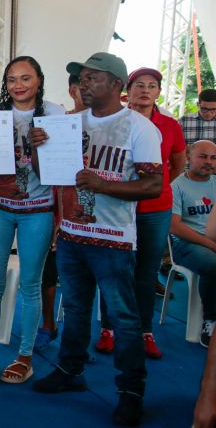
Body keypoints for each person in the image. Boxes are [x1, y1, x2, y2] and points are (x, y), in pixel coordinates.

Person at [31, 52, 162, 427]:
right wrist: (38, 146)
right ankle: (71, 371)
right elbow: (48, 174)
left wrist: (103, 184)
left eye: (92, 78)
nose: (83, 84)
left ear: (117, 85)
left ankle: (131, 391)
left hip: (114, 238)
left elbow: (154, 184)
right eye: (81, 79)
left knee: (123, 317)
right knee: (74, 308)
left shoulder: (138, 128)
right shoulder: (68, 123)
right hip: (73, 233)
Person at [0, 57, 64, 389]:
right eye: (11, 79)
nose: (18, 85)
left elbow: (63, 175)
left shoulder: (56, 115)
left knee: (31, 285)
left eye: (25, 78)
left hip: (39, 210)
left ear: (39, 80)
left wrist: (46, 148)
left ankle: (25, 358)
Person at [94, 68, 185, 359]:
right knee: (115, 271)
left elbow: (177, 165)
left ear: (158, 92)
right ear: (127, 90)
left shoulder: (170, 126)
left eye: (152, 86)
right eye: (139, 85)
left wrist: (149, 189)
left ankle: (145, 331)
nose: (146, 90)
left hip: (154, 209)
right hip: (117, 207)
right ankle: (108, 329)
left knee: (145, 274)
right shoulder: (114, 121)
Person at [35, 73, 90, 351]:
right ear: (72, 90)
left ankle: (78, 338)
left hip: (96, 215)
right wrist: (57, 216)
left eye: (96, 83)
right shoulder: (58, 123)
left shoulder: (116, 123)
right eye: (83, 85)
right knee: (49, 272)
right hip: (58, 211)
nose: (89, 89)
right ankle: (48, 324)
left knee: (83, 281)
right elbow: (48, 172)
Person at [170, 140, 216, 347]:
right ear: (188, 157)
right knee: (213, 264)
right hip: (186, 245)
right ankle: (210, 321)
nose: (209, 162)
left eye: (213, 158)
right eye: (203, 157)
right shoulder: (177, 186)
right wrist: (210, 244)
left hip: (212, 242)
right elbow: (175, 227)